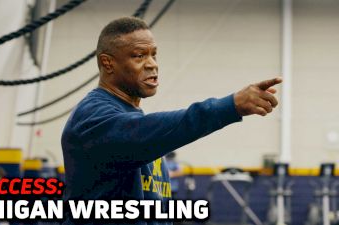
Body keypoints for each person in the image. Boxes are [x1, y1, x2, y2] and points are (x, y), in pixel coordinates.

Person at [61, 17, 281, 224]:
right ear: (108, 63)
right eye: (139, 56)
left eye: (153, 55)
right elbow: (152, 130)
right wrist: (229, 107)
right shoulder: (92, 118)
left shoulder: (132, 120)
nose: (152, 64)